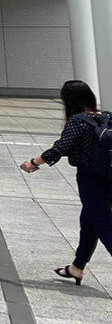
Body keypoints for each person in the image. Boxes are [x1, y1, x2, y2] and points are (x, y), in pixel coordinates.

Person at [19, 81, 111, 286]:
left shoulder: (78, 120)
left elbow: (61, 147)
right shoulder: (106, 116)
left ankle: (77, 267)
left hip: (91, 179)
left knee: (105, 227)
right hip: (108, 176)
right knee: (89, 223)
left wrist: (33, 162)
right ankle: (77, 268)